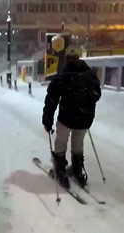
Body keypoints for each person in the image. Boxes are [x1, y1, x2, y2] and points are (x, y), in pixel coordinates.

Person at [42, 55, 101, 188]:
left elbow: (51, 99)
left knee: (61, 141)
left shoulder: (63, 76)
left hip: (67, 118)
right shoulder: (91, 76)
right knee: (78, 141)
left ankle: (60, 172)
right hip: (85, 118)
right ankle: (77, 170)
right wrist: (84, 104)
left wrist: (47, 120)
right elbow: (97, 95)